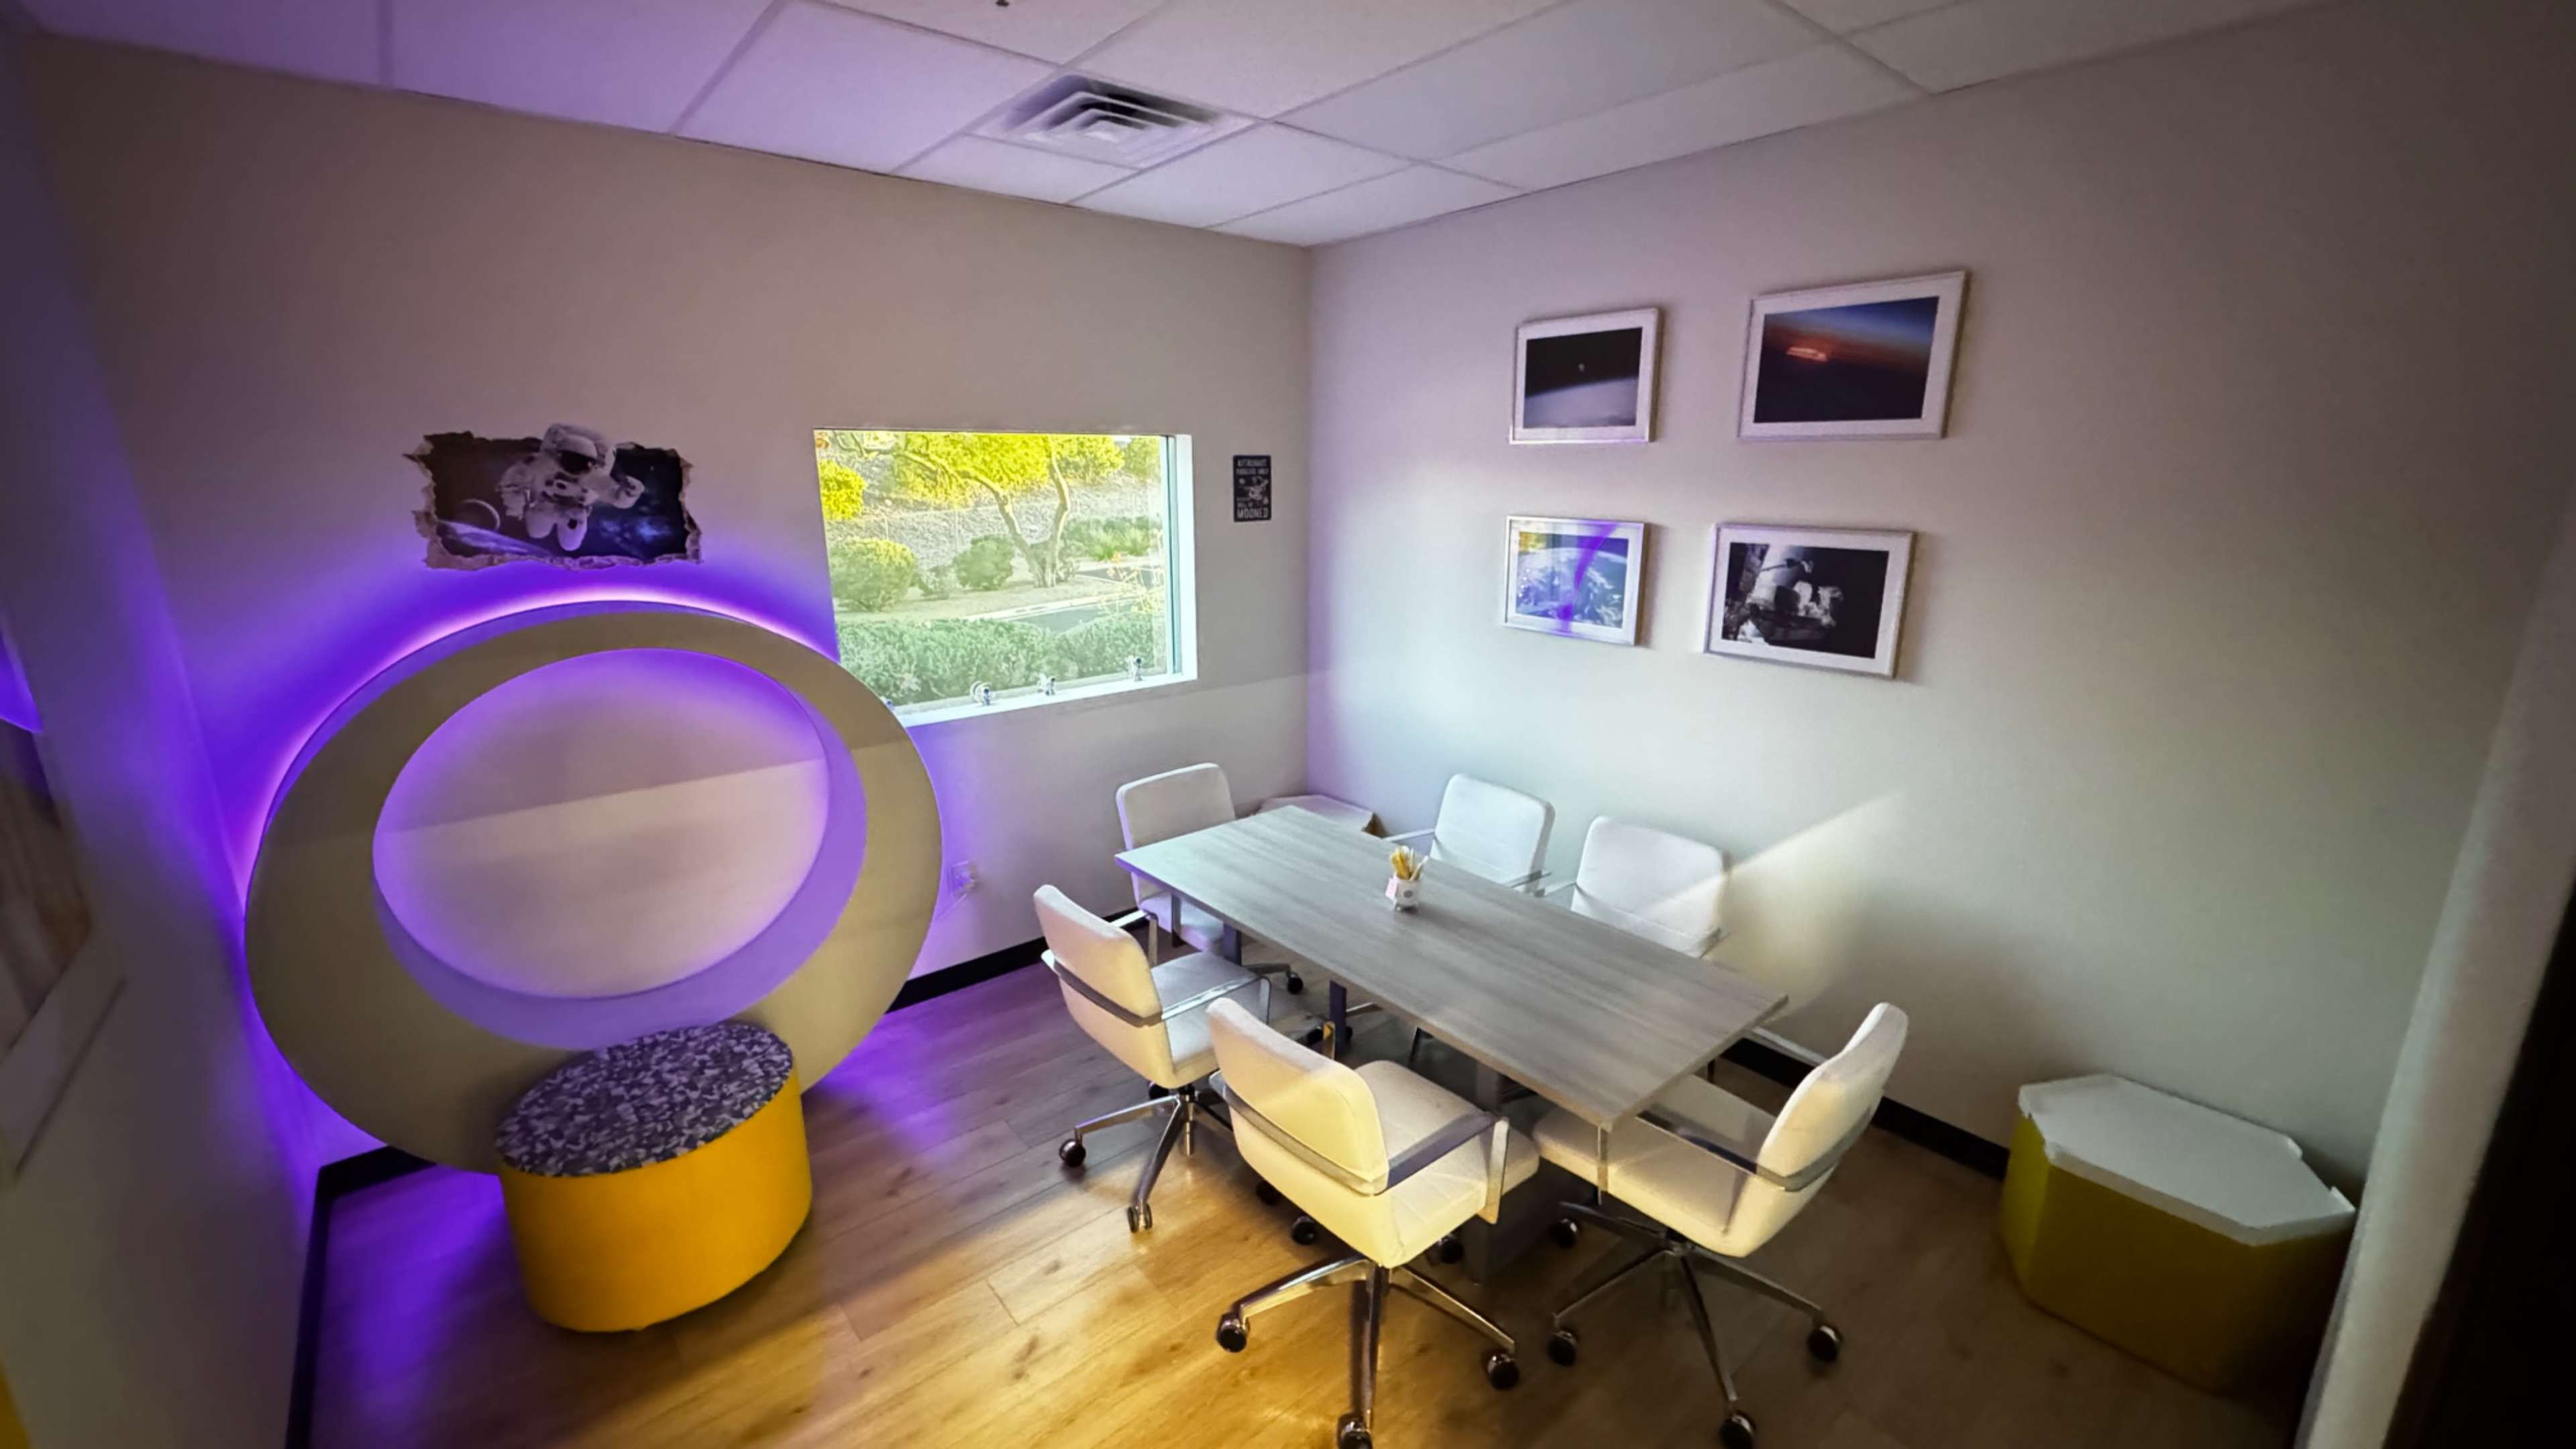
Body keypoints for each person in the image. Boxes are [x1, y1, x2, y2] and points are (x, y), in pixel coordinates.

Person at [496, 423, 645, 552]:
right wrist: (515, 506)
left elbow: (616, 497)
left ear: (591, 464)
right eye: (571, 460)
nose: (574, 468)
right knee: (536, 533)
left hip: (573, 513)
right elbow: (513, 482)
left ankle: (565, 524)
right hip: (546, 506)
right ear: (559, 455)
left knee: (570, 545)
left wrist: (629, 492)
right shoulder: (542, 464)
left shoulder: (593, 477)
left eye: (580, 463)